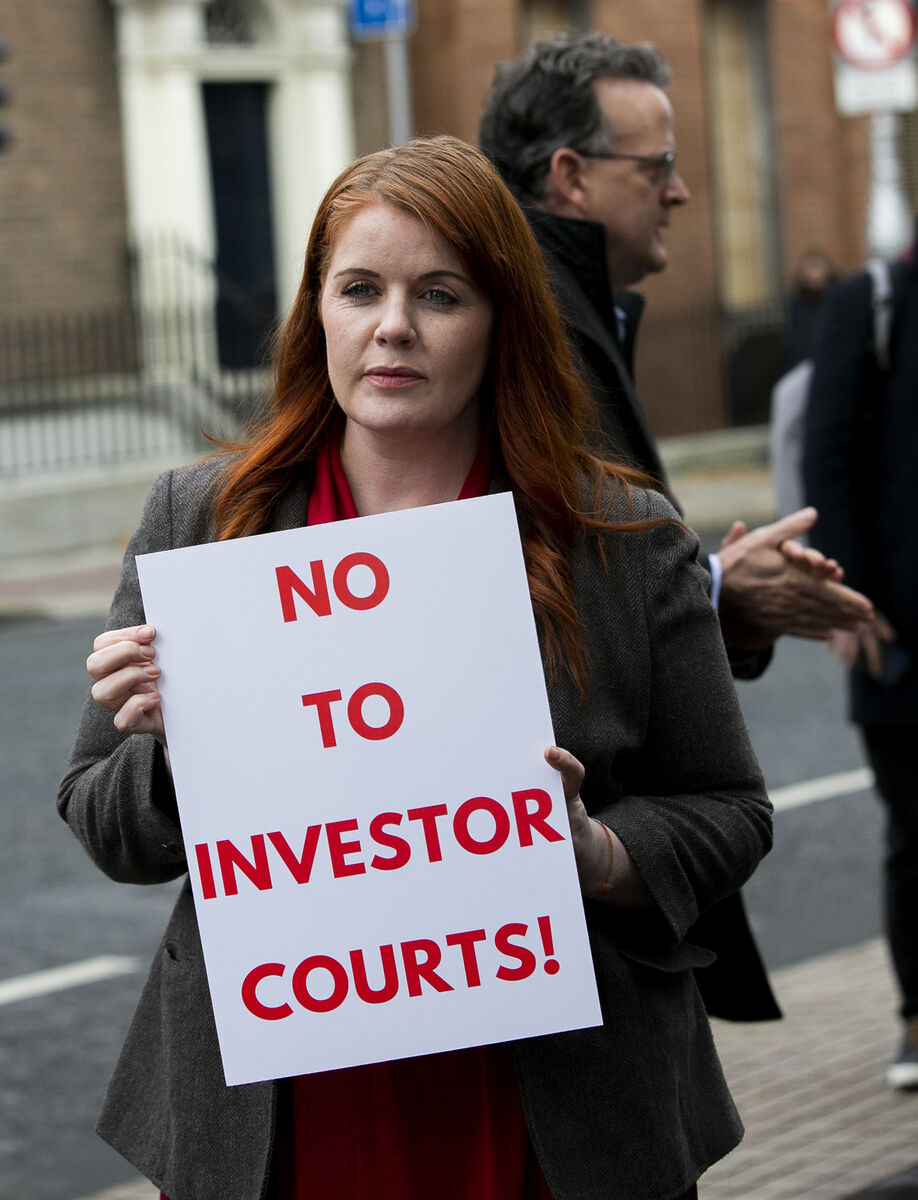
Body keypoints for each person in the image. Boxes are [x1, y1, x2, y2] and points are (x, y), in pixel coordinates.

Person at [58, 136, 773, 1200]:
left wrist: (597, 854)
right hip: (290, 1111)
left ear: (501, 322)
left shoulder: (621, 536)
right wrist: (170, 750)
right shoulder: (204, 523)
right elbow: (106, 824)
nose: (393, 327)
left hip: (552, 1107)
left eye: (440, 294)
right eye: (360, 289)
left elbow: (731, 810)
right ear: (319, 312)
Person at [478, 31, 873, 1023]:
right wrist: (710, 591)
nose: (682, 191)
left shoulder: (575, 302)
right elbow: (535, 568)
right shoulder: (530, 321)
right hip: (564, 855)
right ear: (568, 174)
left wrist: (711, 589)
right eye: (656, 167)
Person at [803, 243, 918, 1091]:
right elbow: (829, 460)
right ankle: (917, 1016)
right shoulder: (874, 302)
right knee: (915, 832)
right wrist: (851, 601)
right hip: (900, 637)